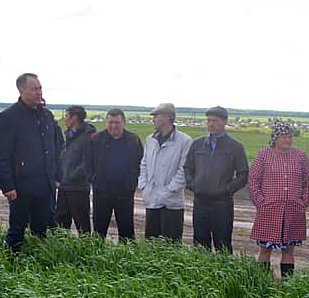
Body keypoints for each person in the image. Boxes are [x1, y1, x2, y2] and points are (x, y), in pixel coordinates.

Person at [0, 73, 62, 252]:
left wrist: (56, 176)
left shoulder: (46, 115)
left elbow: (54, 147)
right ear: (21, 90)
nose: (39, 92)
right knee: (17, 230)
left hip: (45, 184)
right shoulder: (8, 117)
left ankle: (38, 263)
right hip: (20, 185)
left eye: (40, 88)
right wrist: (7, 185)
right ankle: (11, 262)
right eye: (34, 89)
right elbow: (1, 156)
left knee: (41, 229)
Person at [249, 121, 309, 279]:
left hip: (293, 211)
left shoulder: (300, 155)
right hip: (269, 211)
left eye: (290, 136)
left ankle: (287, 284)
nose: (288, 140)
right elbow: (252, 180)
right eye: (284, 137)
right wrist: (260, 203)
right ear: (275, 138)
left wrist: (303, 202)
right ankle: (262, 282)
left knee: (289, 250)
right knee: (265, 249)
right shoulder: (263, 154)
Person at [184, 106, 249, 253]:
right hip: (200, 202)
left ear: (225, 122)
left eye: (215, 121)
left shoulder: (235, 147)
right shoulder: (198, 144)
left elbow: (243, 174)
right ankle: (201, 274)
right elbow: (188, 168)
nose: (211, 124)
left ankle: (223, 274)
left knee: (223, 245)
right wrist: (193, 185)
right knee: (200, 245)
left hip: (222, 204)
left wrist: (226, 190)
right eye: (209, 120)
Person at [85, 108, 143, 241]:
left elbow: (140, 162)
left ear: (124, 123)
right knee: (99, 230)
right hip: (102, 191)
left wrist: (133, 181)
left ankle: (127, 258)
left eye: (117, 122)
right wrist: (93, 179)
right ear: (106, 122)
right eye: (110, 122)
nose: (113, 126)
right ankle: (97, 257)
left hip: (125, 191)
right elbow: (87, 162)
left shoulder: (133, 140)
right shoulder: (96, 139)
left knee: (127, 230)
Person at [138, 103, 192, 242]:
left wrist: (167, 191)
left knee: (171, 245)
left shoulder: (184, 141)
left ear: (166, 118)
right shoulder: (151, 140)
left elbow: (183, 171)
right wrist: (143, 186)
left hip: (172, 204)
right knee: (151, 243)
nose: (153, 120)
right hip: (151, 200)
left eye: (156, 116)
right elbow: (144, 164)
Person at [56, 106, 95, 234]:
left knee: (82, 225)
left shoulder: (88, 137)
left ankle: (85, 252)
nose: (65, 119)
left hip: (78, 188)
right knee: (60, 224)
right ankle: (60, 250)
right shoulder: (69, 135)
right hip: (64, 188)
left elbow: (87, 163)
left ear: (75, 118)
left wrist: (71, 177)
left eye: (67, 116)